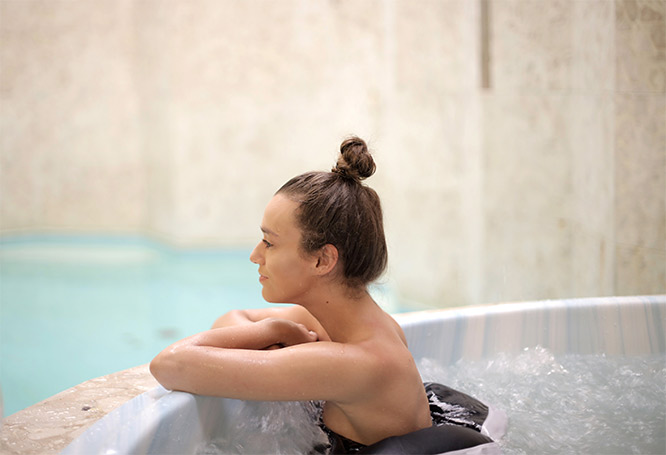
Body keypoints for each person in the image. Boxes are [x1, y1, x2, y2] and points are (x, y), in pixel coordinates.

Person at [150, 137, 433, 452]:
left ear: (321, 260)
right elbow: (229, 319)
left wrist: (271, 331)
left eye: (269, 242)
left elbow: (170, 364)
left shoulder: (356, 362)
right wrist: (278, 330)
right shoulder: (348, 325)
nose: (255, 255)